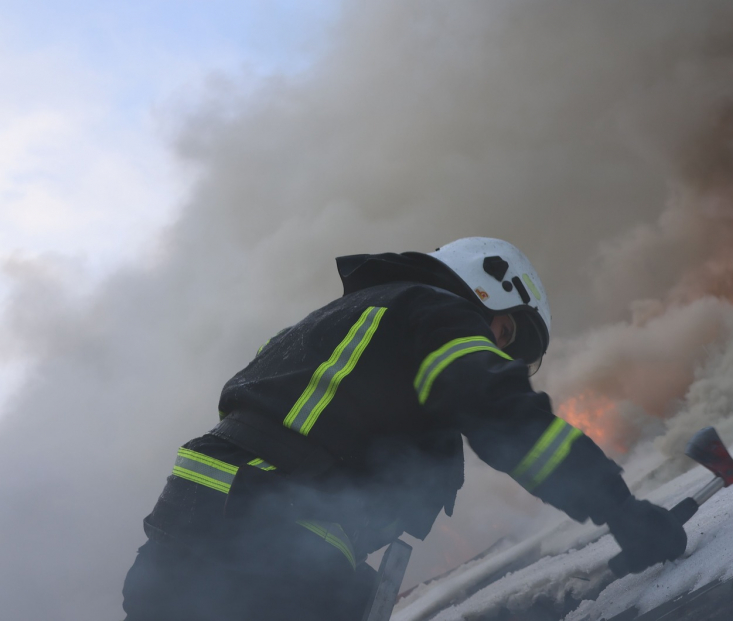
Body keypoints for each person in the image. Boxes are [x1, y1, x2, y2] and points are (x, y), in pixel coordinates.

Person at [122, 237, 687, 620]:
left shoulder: (336, 322)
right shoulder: (431, 309)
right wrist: (619, 508)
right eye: (507, 334)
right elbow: (501, 413)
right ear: (487, 289)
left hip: (182, 536)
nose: (498, 351)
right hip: (273, 537)